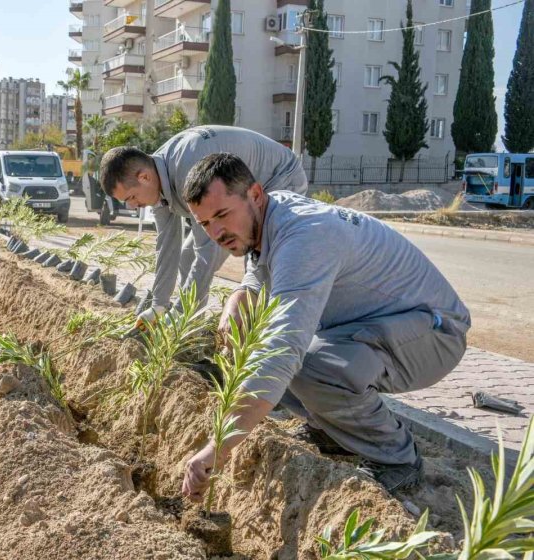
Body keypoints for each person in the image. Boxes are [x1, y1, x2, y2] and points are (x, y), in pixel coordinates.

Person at [179, 153, 470, 496]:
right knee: (267, 348)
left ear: (255, 194)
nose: (215, 232)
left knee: (304, 363)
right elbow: (260, 265)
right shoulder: (269, 212)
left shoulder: (305, 237)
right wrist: (240, 296)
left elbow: (282, 352)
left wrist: (218, 447)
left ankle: (397, 460)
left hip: (434, 333)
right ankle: (333, 431)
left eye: (222, 215)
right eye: (205, 223)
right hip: (376, 324)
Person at [99, 126, 308, 327]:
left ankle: (262, 334)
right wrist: (158, 306)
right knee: (187, 256)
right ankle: (192, 326)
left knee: (255, 263)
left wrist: (180, 313)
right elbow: (166, 246)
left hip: (279, 177)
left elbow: (209, 250)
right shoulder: (156, 177)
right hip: (237, 192)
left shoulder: (189, 173)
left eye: (131, 197)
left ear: (144, 177)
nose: (132, 206)